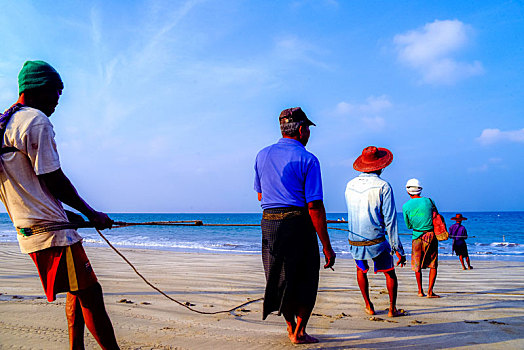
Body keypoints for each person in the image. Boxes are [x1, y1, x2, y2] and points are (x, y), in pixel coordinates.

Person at [0, 60, 119, 349]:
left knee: (77, 291)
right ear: (40, 88)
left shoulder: (5, 124)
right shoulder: (35, 121)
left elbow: (26, 187)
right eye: (57, 92)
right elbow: (53, 178)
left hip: (34, 228)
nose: (57, 101)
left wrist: (67, 214)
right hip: (50, 233)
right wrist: (91, 213)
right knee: (92, 295)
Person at [254, 107, 336, 344]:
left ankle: (290, 327)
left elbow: (260, 195)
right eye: (308, 128)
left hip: (269, 222)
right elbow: (314, 206)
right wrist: (327, 246)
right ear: (301, 130)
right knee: (306, 278)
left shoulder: (262, 155)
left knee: (278, 277)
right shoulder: (308, 159)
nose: (308, 133)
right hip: (297, 223)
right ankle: (299, 332)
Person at [345, 146, 407, 317]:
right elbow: (390, 220)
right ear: (380, 166)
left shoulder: (350, 185)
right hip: (376, 240)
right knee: (389, 272)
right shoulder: (383, 186)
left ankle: (368, 305)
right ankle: (392, 309)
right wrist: (398, 249)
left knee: (360, 270)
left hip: (355, 239)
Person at [402, 178, 440, 298]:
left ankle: (420, 291)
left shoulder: (405, 206)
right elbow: (436, 216)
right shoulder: (429, 201)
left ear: (408, 192)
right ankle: (430, 292)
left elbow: (408, 226)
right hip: (431, 236)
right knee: (433, 264)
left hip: (417, 237)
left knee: (417, 265)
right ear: (420, 190)